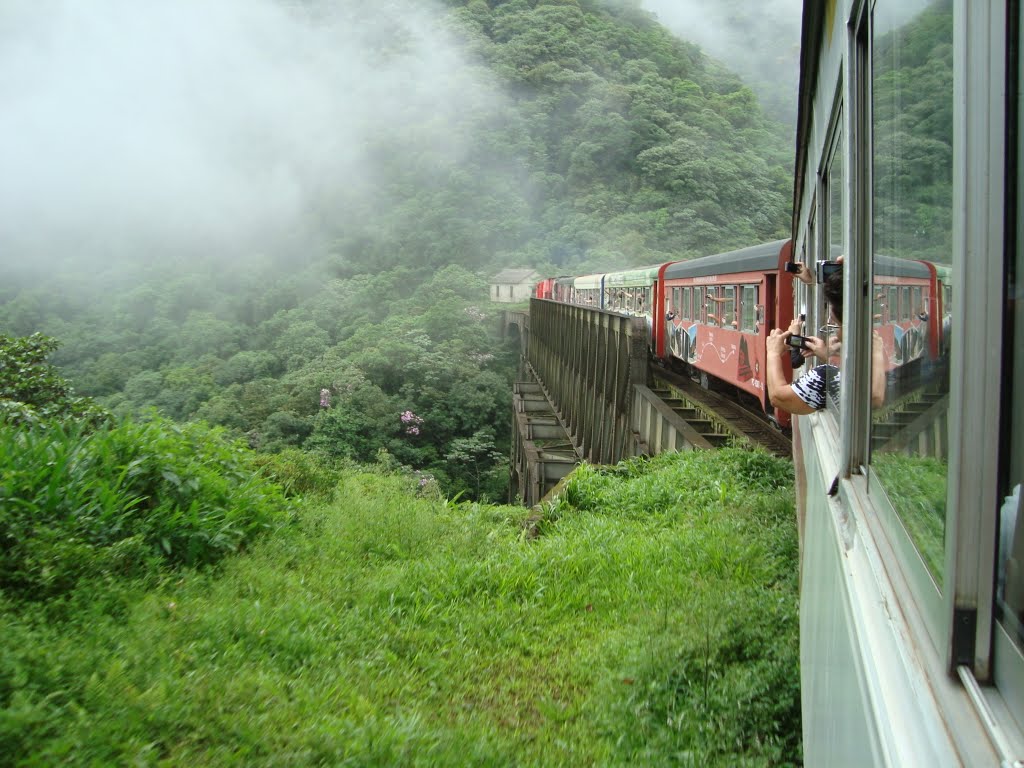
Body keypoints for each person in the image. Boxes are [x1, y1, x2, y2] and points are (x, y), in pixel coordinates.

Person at [766, 264, 886, 415]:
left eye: (835, 325)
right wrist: (827, 355)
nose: (836, 334)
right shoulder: (872, 362)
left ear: (849, 326)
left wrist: (773, 353)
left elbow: (778, 397)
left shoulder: (825, 376)